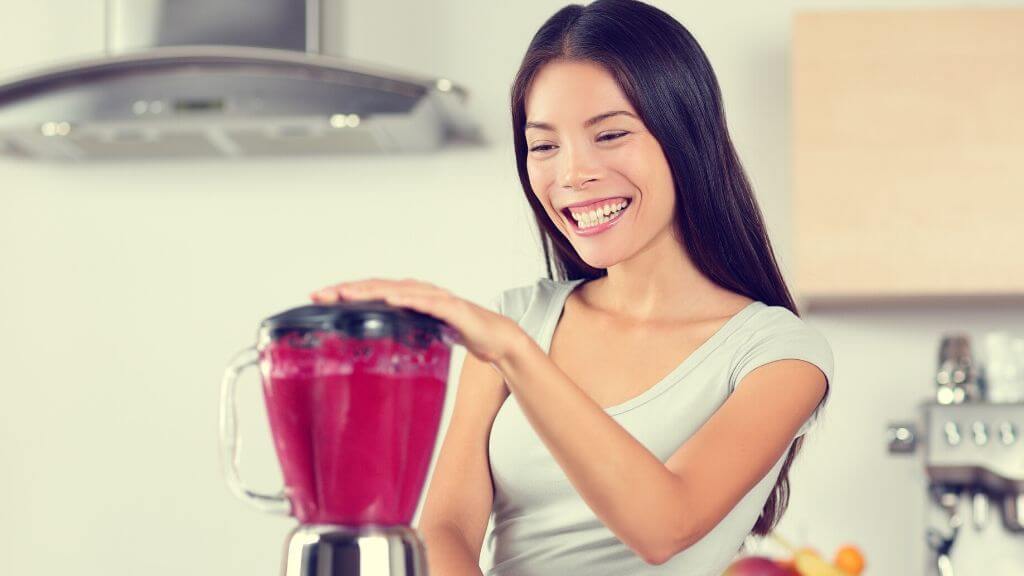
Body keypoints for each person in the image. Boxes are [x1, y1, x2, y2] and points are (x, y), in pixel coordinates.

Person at [309, 0, 834, 574]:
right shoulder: (520, 318)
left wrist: (514, 352)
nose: (572, 174)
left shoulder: (777, 354)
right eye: (544, 145)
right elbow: (447, 525)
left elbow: (664, 525)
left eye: (609, 134)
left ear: (686, 134)